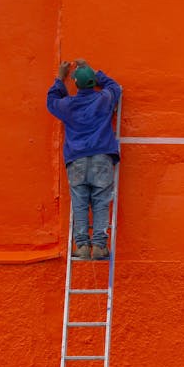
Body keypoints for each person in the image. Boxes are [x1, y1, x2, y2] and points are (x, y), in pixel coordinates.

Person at [46, 59, 122, 260]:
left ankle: (82, 246)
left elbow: (52, 101)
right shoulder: (104, 98)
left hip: (77, 159)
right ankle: (99, 245)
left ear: (76, 85)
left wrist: (60, 78)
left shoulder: (69, 105)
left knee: (80, 203)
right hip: (102, 157)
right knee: (101, 202)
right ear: (93, 82)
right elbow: (115, 87)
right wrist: (93, 71)